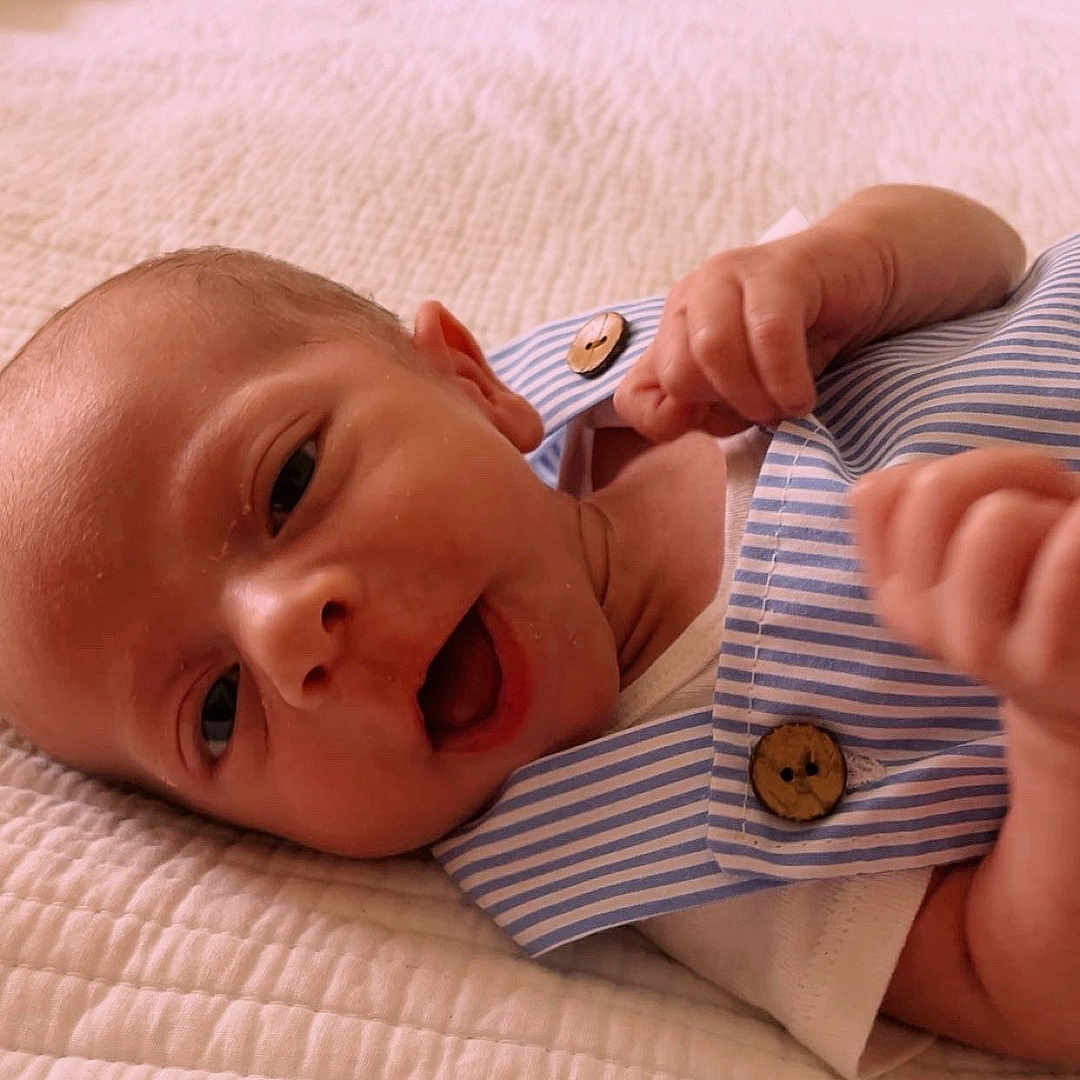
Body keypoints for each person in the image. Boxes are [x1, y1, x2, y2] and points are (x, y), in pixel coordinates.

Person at [0, 184, 1077, 1075]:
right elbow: (1022, 991)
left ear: (470, 382)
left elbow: (988, 255)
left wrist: (851, 261)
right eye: (217, 710)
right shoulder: (675, 842)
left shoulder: (686, 365)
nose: (289, 636)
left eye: (290, 481)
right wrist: (1057, 731)